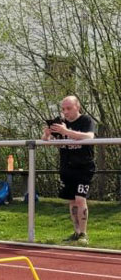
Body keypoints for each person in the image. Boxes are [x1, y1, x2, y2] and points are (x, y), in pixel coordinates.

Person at [42, 95, 96, 246]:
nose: (65, 112)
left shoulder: (86, 120)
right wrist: (47, 134)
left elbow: (89, 137)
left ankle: (84, 234)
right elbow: (47, 141)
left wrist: (66, 132)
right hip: (67, 167)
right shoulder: (61, 123)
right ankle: (77, 232)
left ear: (77, 107)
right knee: (72, 200)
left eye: (69, 108)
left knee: (80, 199)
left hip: (84, 167)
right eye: (63, 109)